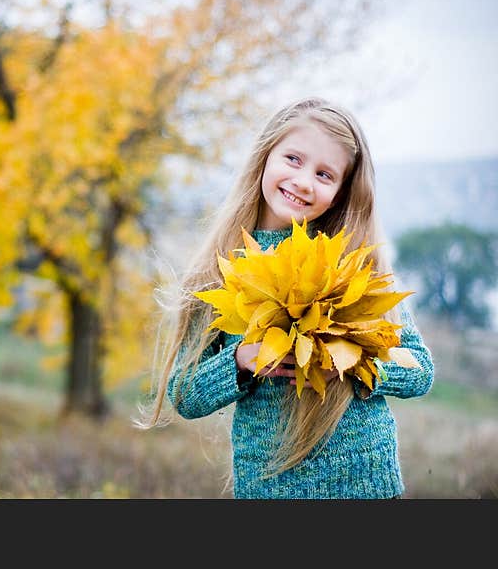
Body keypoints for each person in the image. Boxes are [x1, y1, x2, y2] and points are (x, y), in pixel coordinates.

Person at [137, 96, 434, 499]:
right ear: (265, 156)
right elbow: (185, 393)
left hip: (366, 482)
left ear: (340, 194)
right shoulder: (220, 267)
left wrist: (354, 364)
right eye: (293, 159)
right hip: (269, 487)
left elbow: (419, 368)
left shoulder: (351, 263)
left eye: (325, 174)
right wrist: (242, 361)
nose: (304, 181)